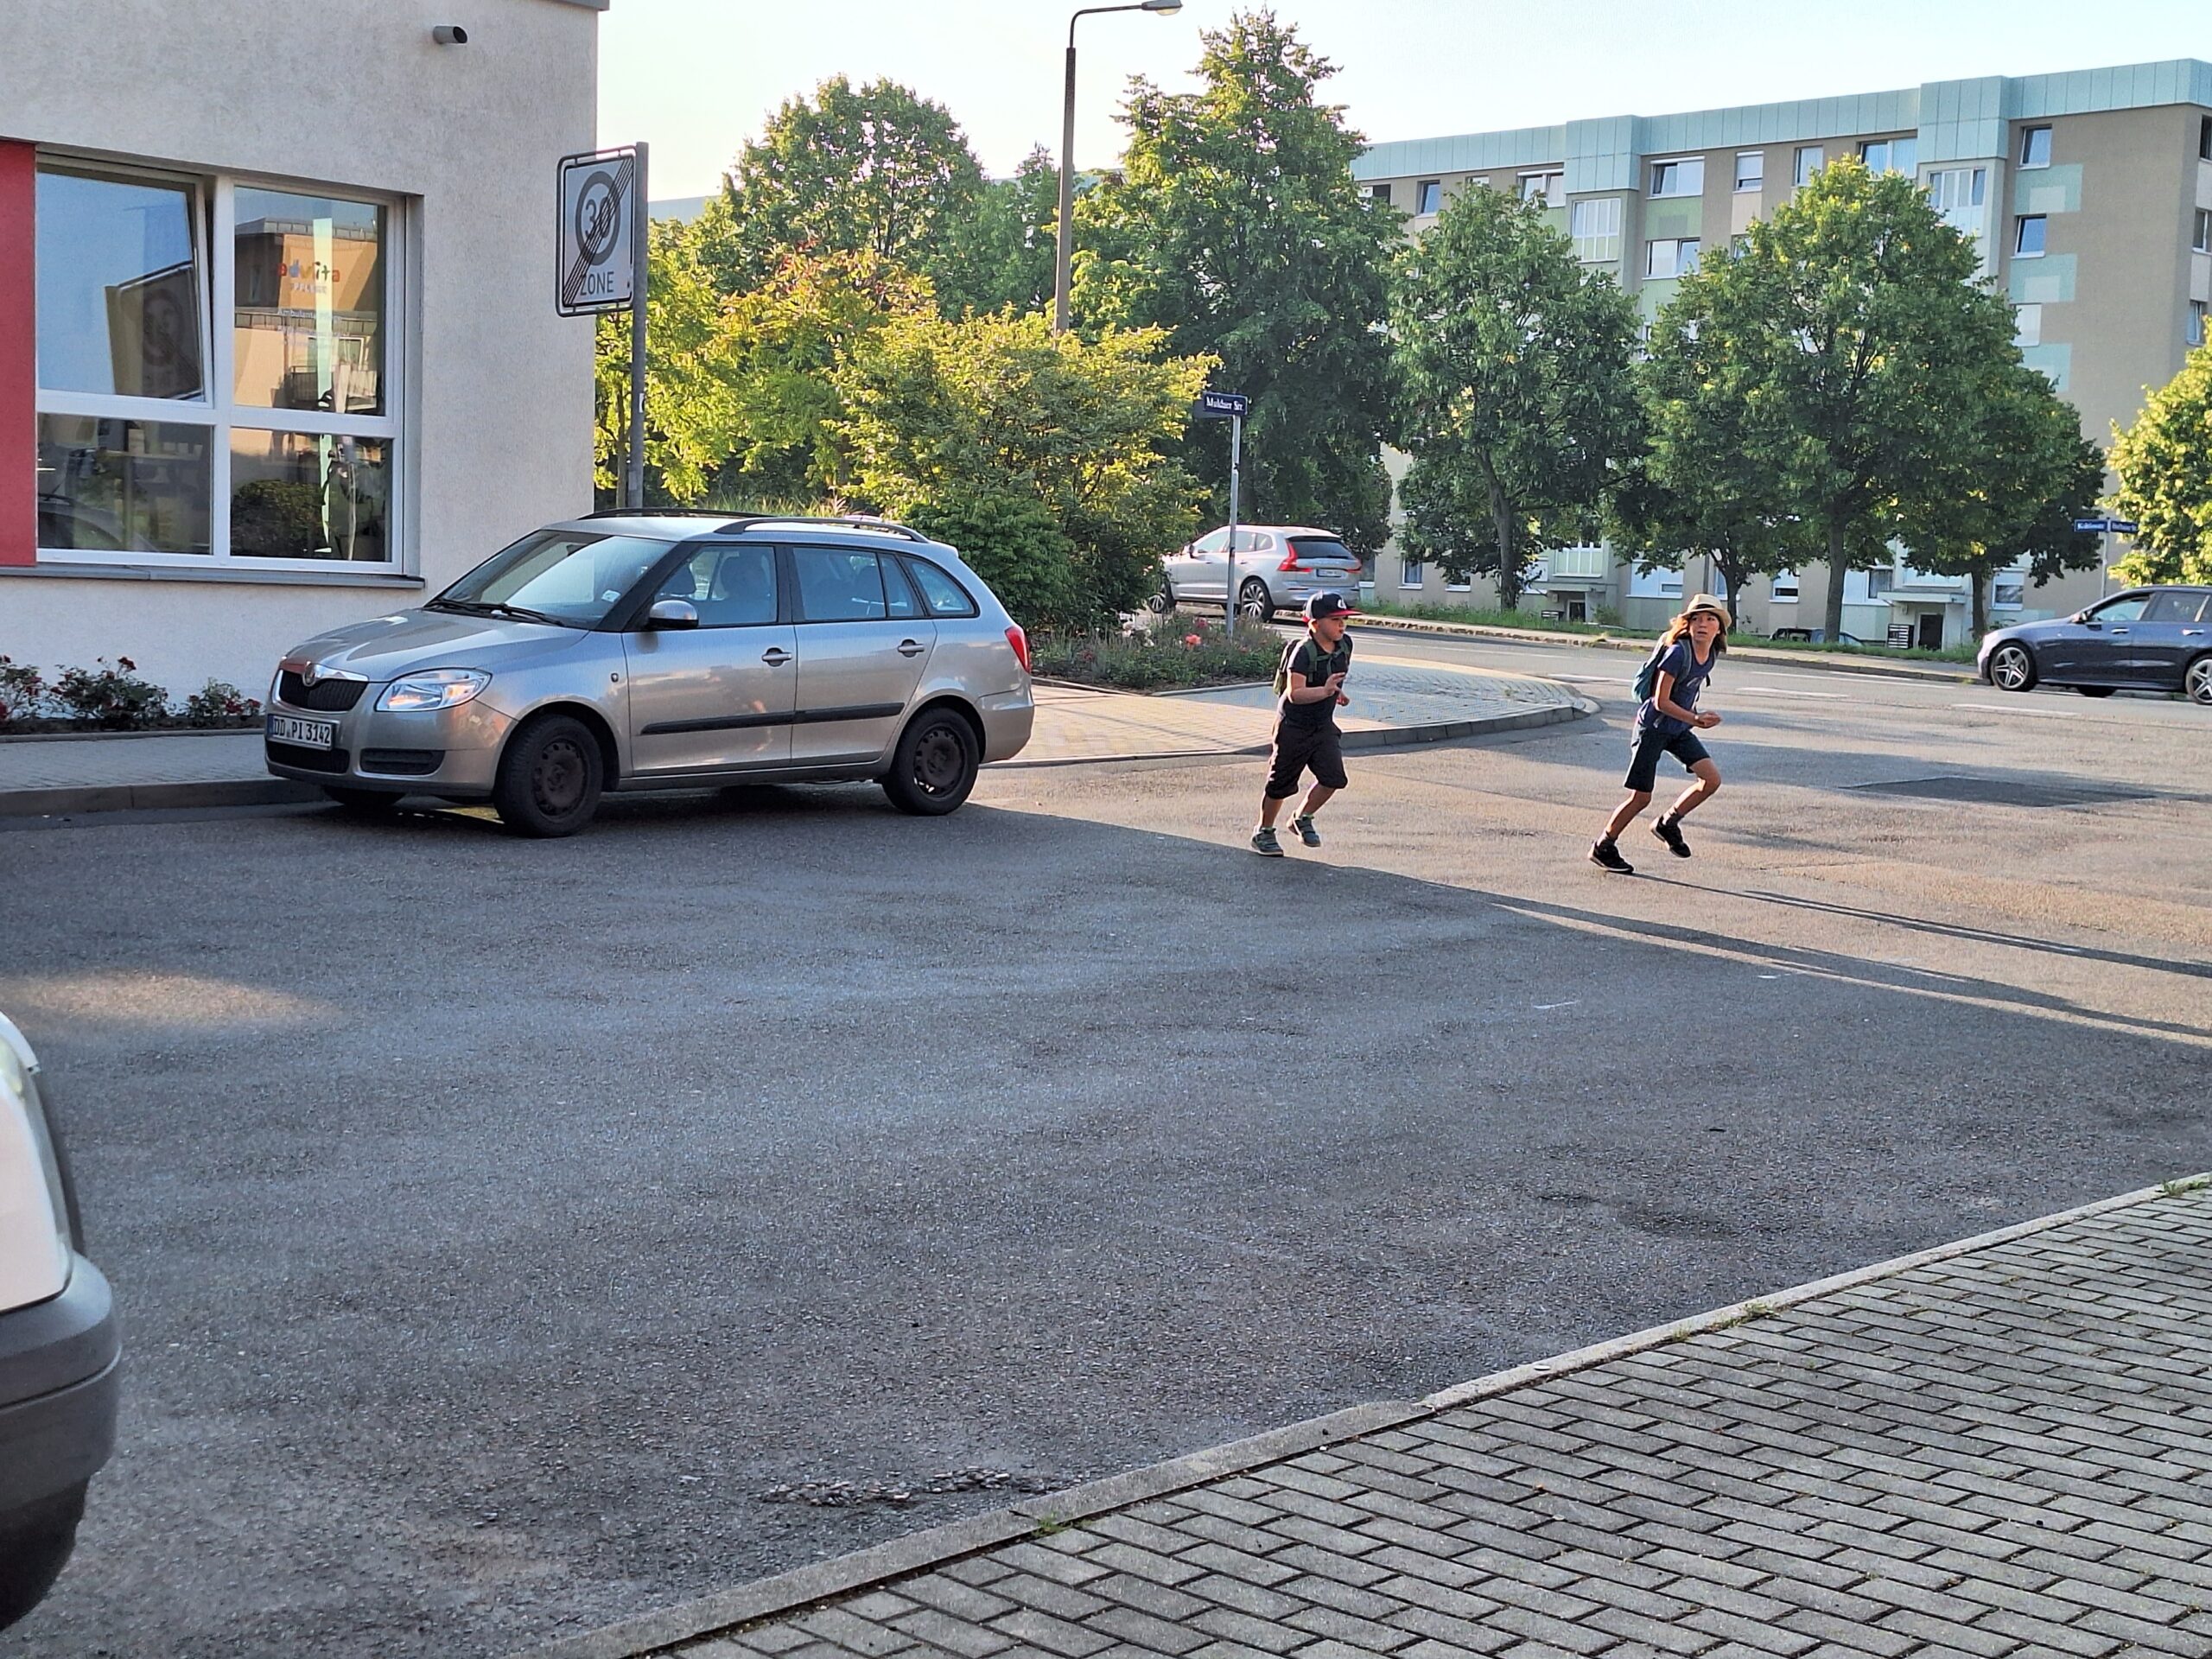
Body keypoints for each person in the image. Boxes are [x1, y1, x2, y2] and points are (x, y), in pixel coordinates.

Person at [1591, 594, 1730, 874]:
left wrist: (1694, 717)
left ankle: (1668, 823)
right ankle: (1603, 846)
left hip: (1678, 728)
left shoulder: (1711, 654)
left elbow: (1687, 692)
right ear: (1687, 624)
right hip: (1653, 728)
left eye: (1710, 619)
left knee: (1711, 779)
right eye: (1697, 619)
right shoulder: (1678, 652)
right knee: (1641, 797)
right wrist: (1696, 718)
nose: (1703, 624)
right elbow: (1660, 701)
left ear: (1719, 629)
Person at [1251, 591, 1356, 856]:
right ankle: (1263, 831)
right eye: (1335, 620)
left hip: (1322, 726)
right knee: (1280, 783)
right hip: (1294, 726)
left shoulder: (1345, 645)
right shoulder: (1302, 652)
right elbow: (1294, 694)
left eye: (1344, 619)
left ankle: (1302, 817)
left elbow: (1332, 680)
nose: (1341, 625)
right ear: (1315, 623)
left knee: (1334, 778)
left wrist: (1336, 692)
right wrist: (1325, 690)